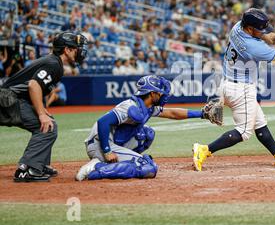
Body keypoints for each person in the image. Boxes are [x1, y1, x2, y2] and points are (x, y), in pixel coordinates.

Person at [192, 8, 275, 171]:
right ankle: (204, 149)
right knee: (244, 132)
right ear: (250, 29)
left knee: (259, 123)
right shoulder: (252, 46)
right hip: (241, 89)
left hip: (228, 84)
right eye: (260, 30)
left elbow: (271, 37)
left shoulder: (238, 27)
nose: (264, 33)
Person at [75, 75, 220, 181]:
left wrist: (202, 114)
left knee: (146, 134)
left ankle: (116, 161)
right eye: (160, 92)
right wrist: (107, 151)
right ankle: (96, 168)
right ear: (152, 94)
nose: (163, 95)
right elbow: (102, 122)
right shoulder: (130, 107)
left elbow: (173, 113)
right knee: (148, 168)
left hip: (109, 142)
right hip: (100, 145)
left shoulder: (147, 106)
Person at [0, 31, 87, 182]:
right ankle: (28, 169)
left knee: (49, 124)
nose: (80, 51)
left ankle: (38, 164)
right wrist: (40, 114)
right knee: (47, 128)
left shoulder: (53, 62)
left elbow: (34, 86)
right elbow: (34, 85)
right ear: (67, 49)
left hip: (11, 98)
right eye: (76, 48)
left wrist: (42, 110)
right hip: (9, 99)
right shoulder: (54, 64)